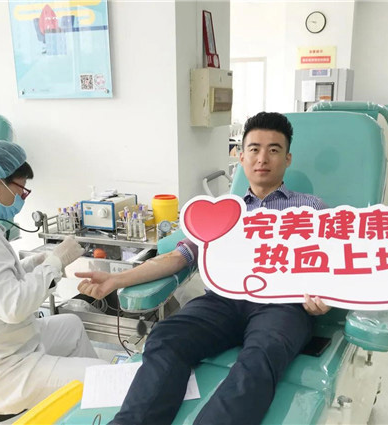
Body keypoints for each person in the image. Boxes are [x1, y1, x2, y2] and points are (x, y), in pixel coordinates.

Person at [76, 112, 330, 425]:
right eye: (254, 149)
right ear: (241, 156)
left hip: (281, 305)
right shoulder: (223, 211)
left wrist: (324, 298)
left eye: (274, 150)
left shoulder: (311, 209)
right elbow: (179, 257)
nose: (262, 158)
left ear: (287, 158)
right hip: (223, 302)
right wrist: (115, 279)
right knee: (166, 337)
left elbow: (331, 267)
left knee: (261, 355)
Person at [0, 141, 107, 415]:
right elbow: (13, 307)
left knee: (70, 325)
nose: (23, 197)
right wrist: (55, 263)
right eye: (20, 190)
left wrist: (33, 263)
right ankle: (95, 402)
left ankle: (81, 411)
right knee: (102, 376)